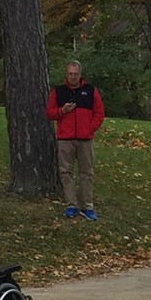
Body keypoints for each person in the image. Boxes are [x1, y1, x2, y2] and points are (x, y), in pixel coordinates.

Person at [46, 60, 104, 220]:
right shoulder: (58, 92)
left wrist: (90, 128)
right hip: (65, 139)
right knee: (66, 172)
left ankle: (88, 206)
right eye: (70, 74)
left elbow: (99, 112)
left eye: (75, 74)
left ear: (80, 74)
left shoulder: (90, 90)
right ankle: (71, 205)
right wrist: (61, 111)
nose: (73, 77)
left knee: (87, 173)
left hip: (86, 139)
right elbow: (50, 113)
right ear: (66, 74)